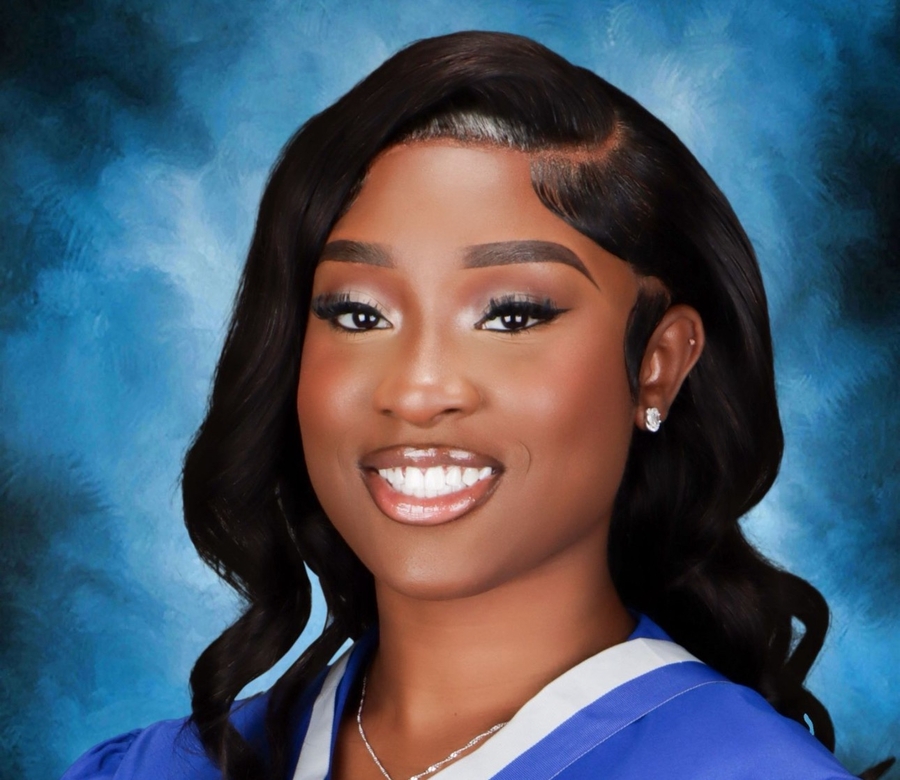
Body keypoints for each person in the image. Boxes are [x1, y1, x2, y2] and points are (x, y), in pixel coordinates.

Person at [62, 30, 890, 780]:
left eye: (512, 315)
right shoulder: (151, 771)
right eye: (359, 314)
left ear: (658, 365)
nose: (418, 390)